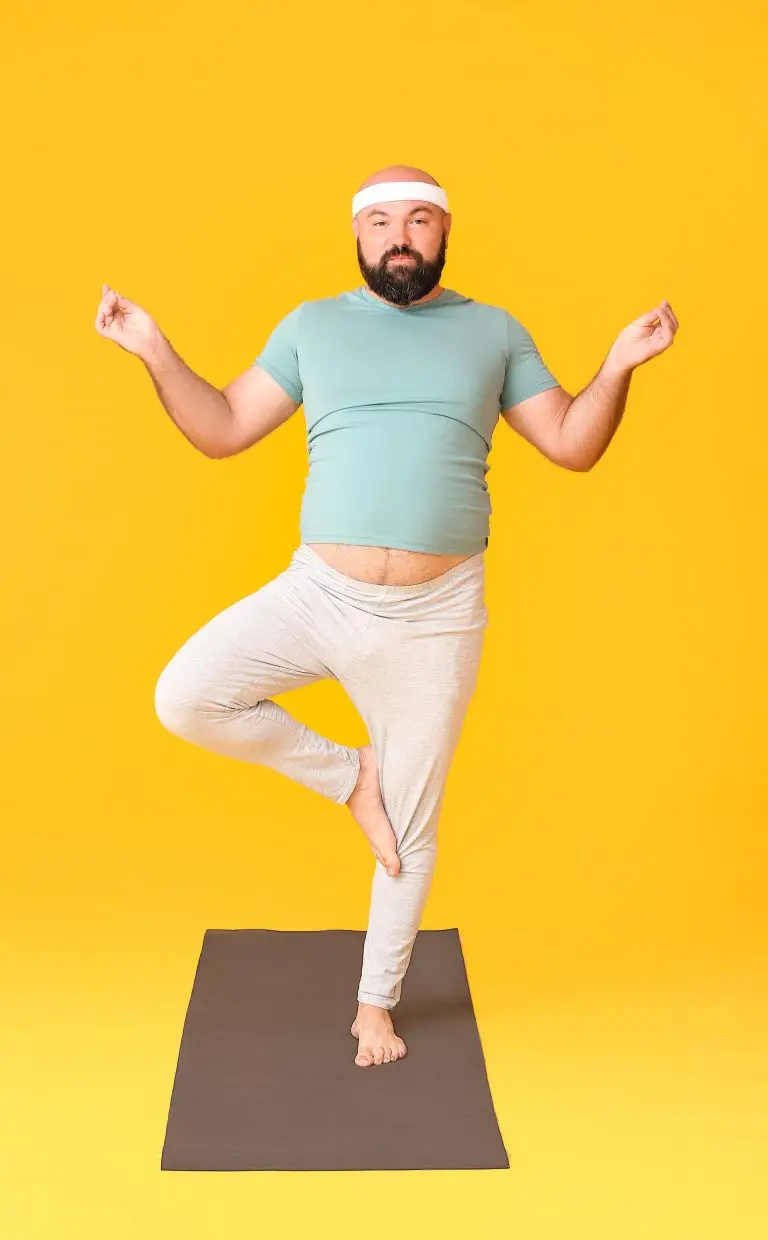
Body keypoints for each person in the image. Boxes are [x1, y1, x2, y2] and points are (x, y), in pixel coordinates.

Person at [95, 164, 678, 1068]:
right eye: (379, 221)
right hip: (319, 595)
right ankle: (346, 778)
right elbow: (219, 429)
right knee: (186, 696)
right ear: (358, 236)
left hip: (435, 618)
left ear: (444, 233)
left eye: (416, 220)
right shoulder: (312, 326)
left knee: (408, 832)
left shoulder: (493, 332)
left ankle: (375, 1006)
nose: (397, 235)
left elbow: (571, 443)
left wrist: (618, 365)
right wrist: (154, 349)